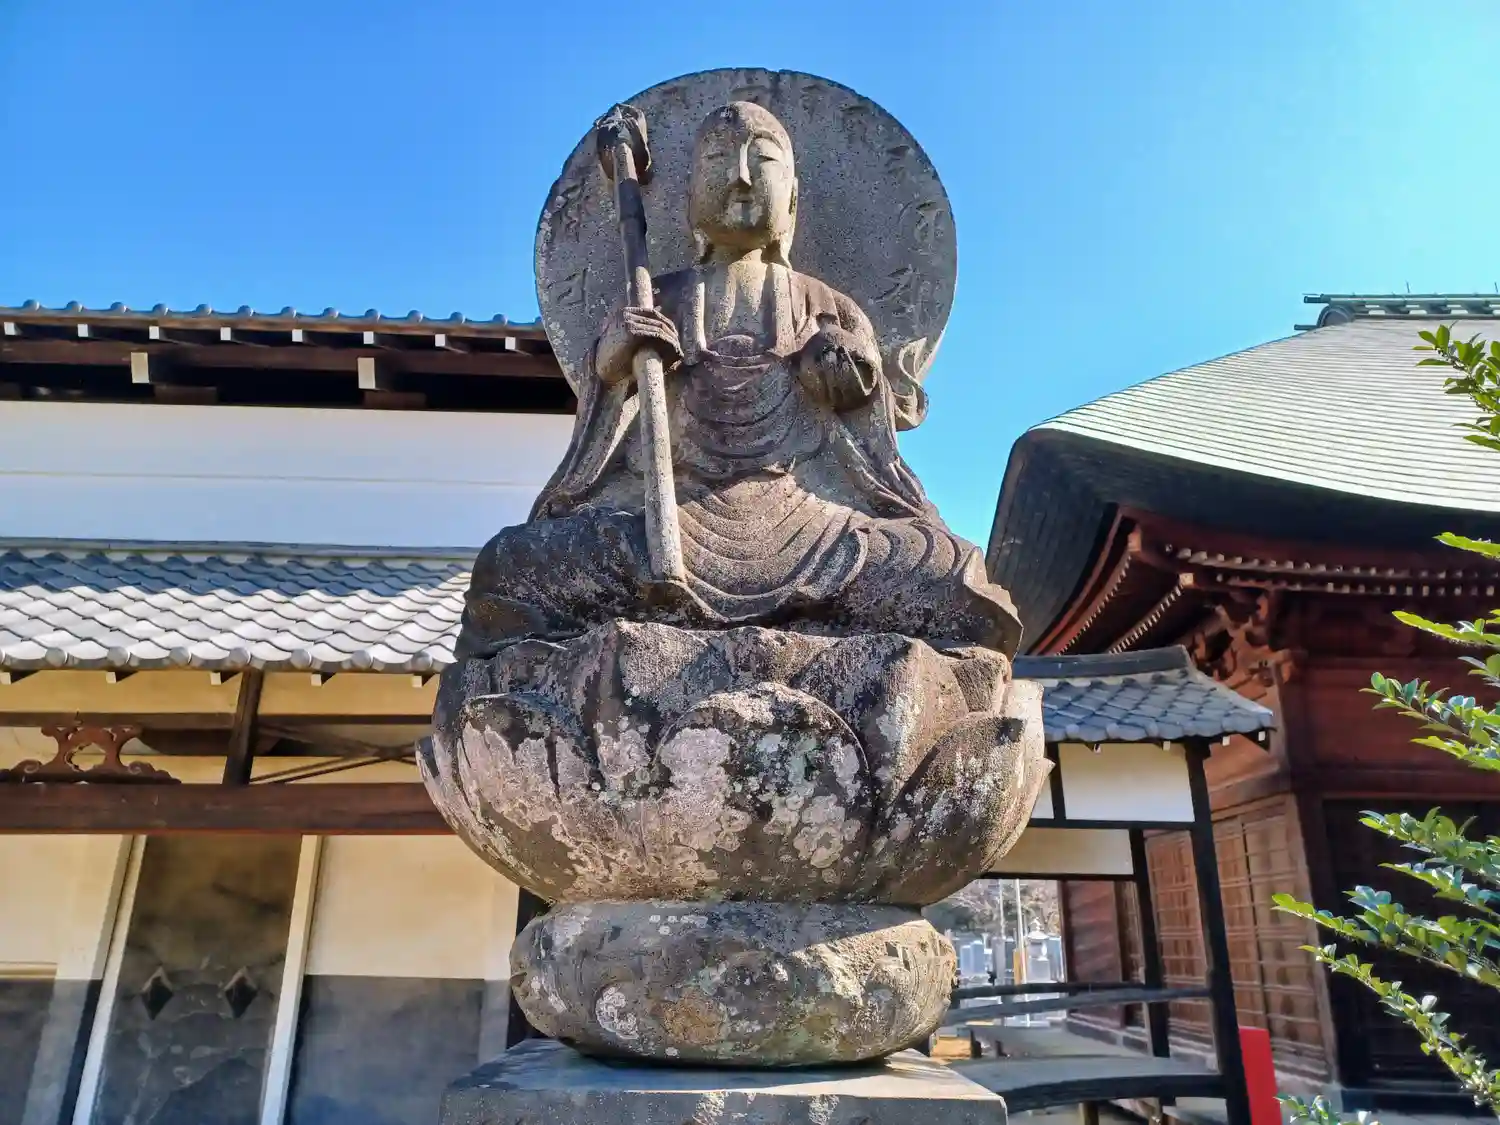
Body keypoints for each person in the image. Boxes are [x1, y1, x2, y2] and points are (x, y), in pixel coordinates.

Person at [456, 101, 1021, 660]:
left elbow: (872, 443)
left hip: (810, 526)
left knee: (946, 566)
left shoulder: (830, 307)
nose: (742, 177)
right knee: (513, 564)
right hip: (665, 524)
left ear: (793, 198)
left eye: (763, 159)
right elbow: (603, 447)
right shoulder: (652, 300)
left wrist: (849, 385)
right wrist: (612, 366)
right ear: (687, 198)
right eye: (719, 159)